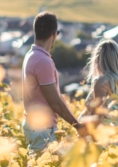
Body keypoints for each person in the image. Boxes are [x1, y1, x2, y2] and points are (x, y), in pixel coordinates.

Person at [22, 11, 86, 153]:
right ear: (54, 34)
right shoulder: (43, 61)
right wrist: (78, 126)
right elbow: (54, 100)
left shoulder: (31, 56)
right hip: (42, 129)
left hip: (34, 125)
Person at [79, 38, 118, 147]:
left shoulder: (102, 81)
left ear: (98, 59)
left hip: (101, 142)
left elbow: (98, 116)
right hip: (117, 140)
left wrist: (82, 136)